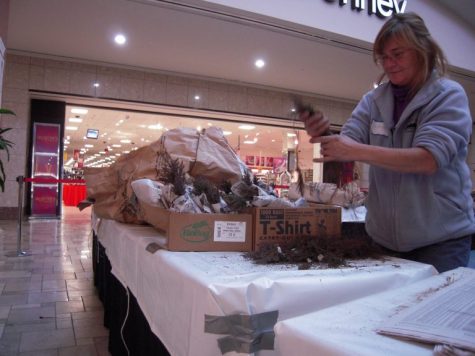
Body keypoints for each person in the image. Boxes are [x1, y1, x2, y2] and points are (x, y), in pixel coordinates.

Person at [301, 12, 474, 273]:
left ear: (422, 50)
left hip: (441, 240)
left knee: (432, 312)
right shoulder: (373, 101)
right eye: (383, 57)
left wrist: (353, 149)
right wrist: (326, 134)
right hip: (383, 239)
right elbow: (347, 142)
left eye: (397, 54)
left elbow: (427, 159)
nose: (389, 63)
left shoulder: (448, 96)